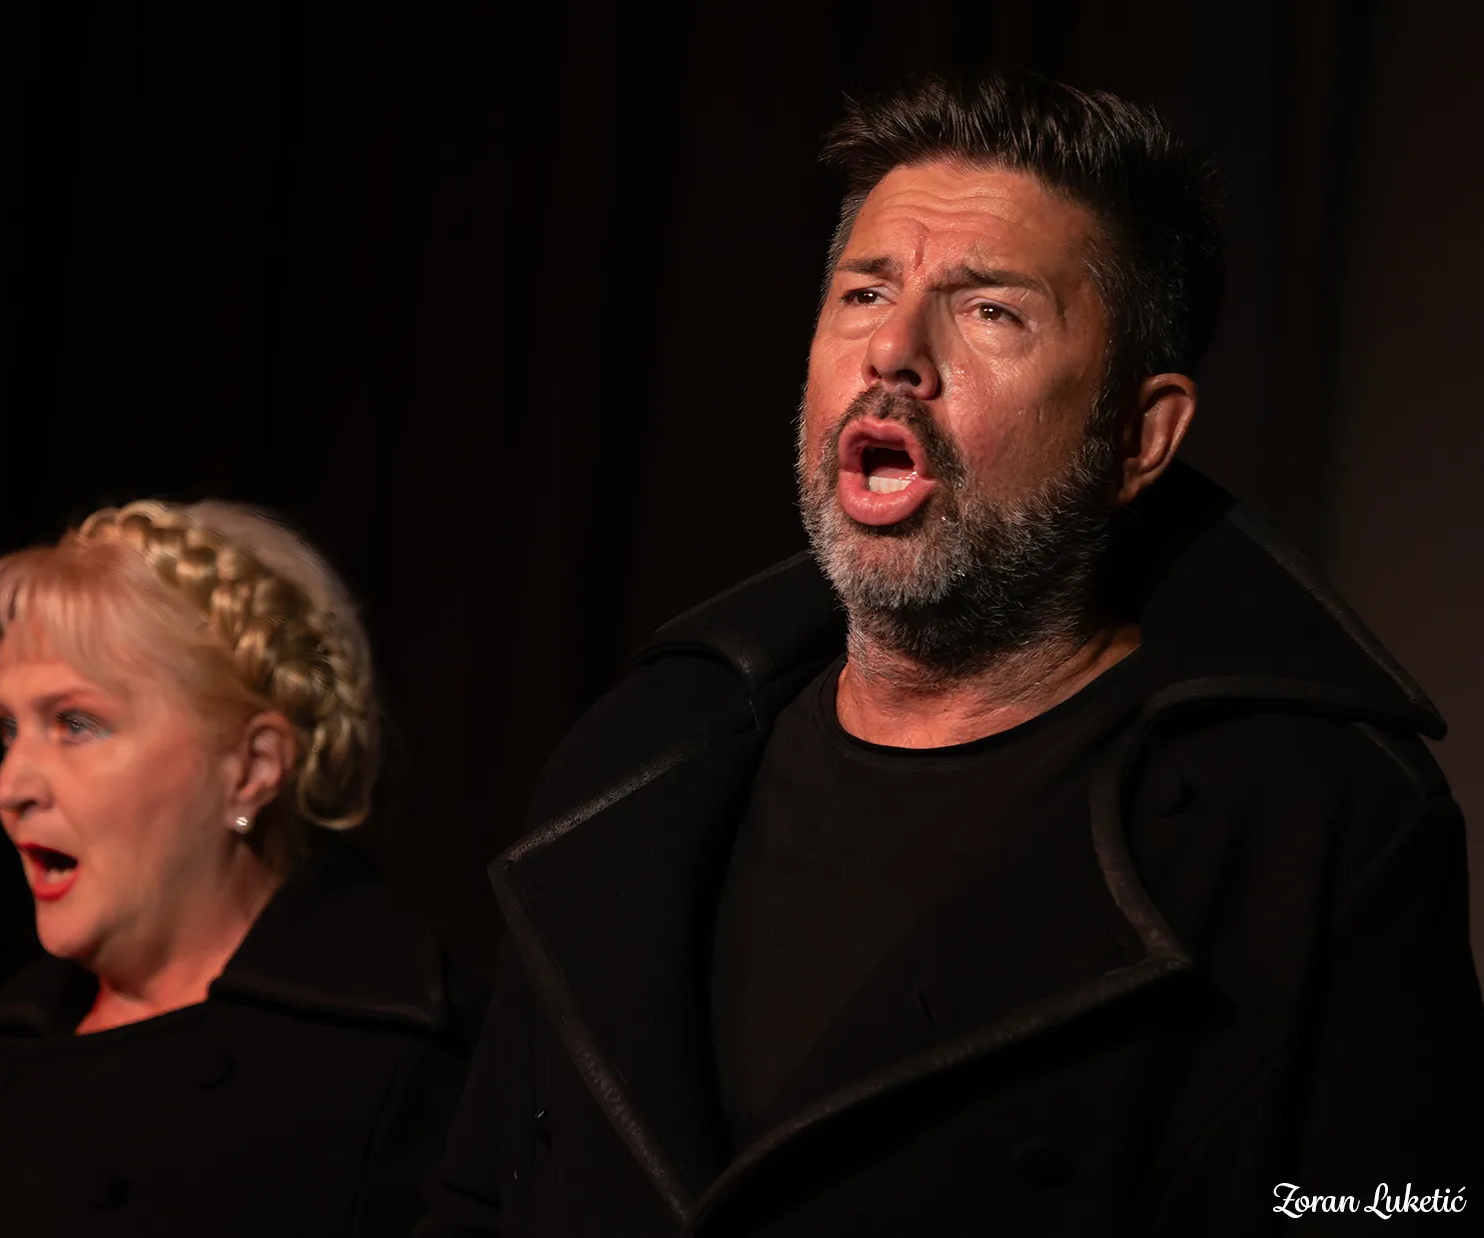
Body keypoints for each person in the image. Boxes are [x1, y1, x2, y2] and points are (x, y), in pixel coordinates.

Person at [416, 67, 1484, 1235]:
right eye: (864, 291)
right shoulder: (635, 758)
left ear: (1138, 434)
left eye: (991, 312)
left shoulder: (1309, 825)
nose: (893, 350)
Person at [0, 500, 480, 1237]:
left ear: (251, 768)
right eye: (8, 728)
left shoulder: (399, 1071)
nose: (9, 787)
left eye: (75, 724)